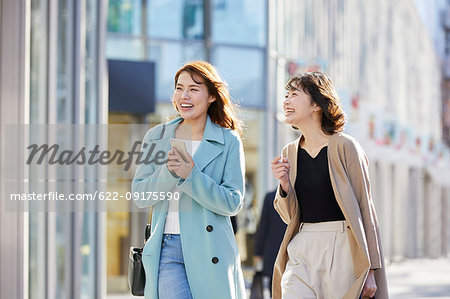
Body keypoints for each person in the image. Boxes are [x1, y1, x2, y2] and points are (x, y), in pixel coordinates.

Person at [132, 61, 246, 299]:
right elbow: (141, 196)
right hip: (167, 248)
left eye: (194, 89)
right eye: (179, 88)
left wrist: (191, 176)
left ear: (212, 96)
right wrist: (169, 172)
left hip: (210, 247)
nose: (184, 95)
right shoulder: (157, 136)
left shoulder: (229, 140)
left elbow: (233, 202)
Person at [270, 72, 389, 299]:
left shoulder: (346, 147)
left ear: (316, 104)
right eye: (286, 95)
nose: (286, 100)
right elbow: (289, 217)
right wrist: (284, 185)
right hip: (302, 246)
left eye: (294, 94)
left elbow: (366, 209)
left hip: (342, 246)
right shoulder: (289, 152)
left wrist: (371, 269)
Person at [251, 189, 287, 299]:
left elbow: (263, 226)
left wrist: (258, 251)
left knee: (274, 286)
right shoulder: (297, 195)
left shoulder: (270, 197)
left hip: (273, 250)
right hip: (289, 248)